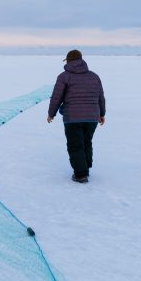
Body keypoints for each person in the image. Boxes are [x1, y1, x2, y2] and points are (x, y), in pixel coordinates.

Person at [47, 49, 106, 183]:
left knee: (75, 145)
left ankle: (80, 174)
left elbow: (57, 97)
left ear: (68, 61)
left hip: (72, 117)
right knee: (86, 142)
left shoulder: (64, 76)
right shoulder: (94, 76)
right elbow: (101, 97)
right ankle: (85, 168)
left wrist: (51, 113)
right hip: (92, 117)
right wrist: (102, 113)